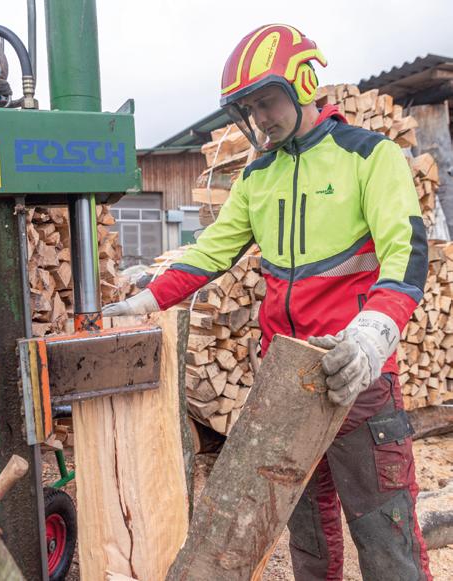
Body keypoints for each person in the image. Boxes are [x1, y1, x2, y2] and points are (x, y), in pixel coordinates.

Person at [103, 24, 432, 580]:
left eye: (267, 101)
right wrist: (146, 300)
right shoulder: (258, 176)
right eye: (250, 108)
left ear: (303, 84)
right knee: (308, 534)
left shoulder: (368, 156)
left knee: (385, 535)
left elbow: (406, 249)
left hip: (357, 372)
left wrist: (374, 333)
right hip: (286, 379)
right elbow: (211, 251)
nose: (260, 118)